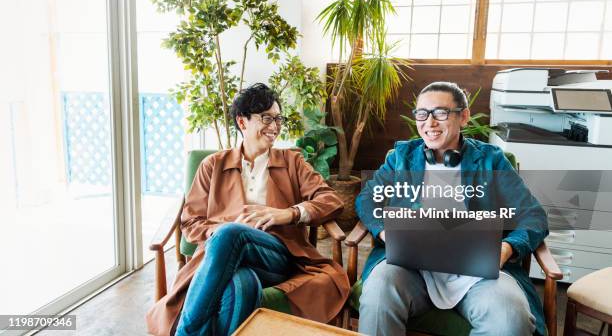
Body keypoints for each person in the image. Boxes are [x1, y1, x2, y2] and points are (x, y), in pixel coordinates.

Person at [146, 83, 349, 336]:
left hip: (276, 255)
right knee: (242, 284)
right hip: (223, 258)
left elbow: (330, 200)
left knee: (234, 234)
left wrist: (289, 213)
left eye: (278, 119)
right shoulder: (212, 165)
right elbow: (190, 223)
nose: (274, 126)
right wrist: (224, 232)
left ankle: (186, 333)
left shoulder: (292, 161)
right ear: (242, 123)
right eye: (266, 118)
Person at [356, 81, 549, 336]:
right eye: (422, 114)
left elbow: (534, 216)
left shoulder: (491, 160)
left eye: (441, 113)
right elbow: (367, 199)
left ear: (464, 117)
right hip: (410, 269)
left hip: (479, 276)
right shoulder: (401, 157)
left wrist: (507, 247)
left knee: (510, 318)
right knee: (379, 293)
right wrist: (384, 232)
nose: (430, 123)